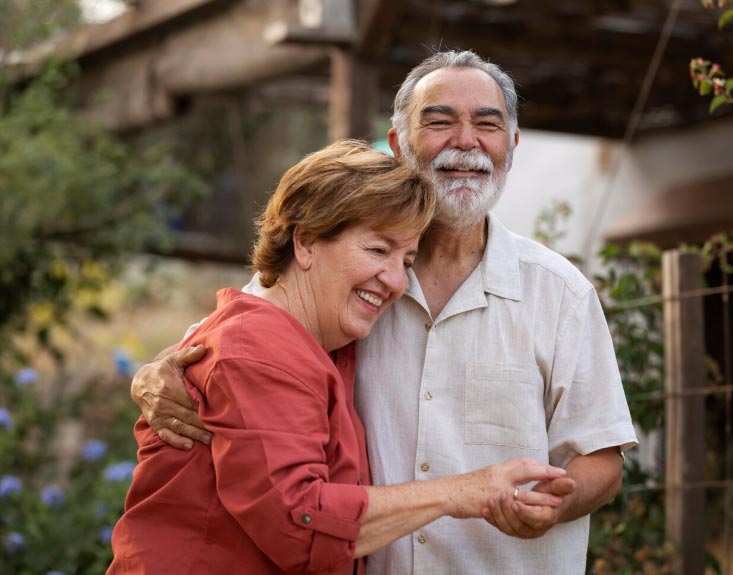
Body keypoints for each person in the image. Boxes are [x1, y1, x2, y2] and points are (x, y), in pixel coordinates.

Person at [131, 51, 638, 575]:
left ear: (511, 144)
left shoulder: (560, 292)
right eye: (439, 121)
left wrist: (558, 501)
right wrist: (152, 375)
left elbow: (603, 455)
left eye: (487, 124)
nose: (466, 141)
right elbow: (232, 343)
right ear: (398, 145)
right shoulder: (336, 278)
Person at [108, 140, 570, 575]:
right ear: (305, 242)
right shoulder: (259, 348)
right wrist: (462, 492)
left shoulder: (326, 340)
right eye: (377, 249)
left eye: (406, 261)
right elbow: (299, 522)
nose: (394, 280)